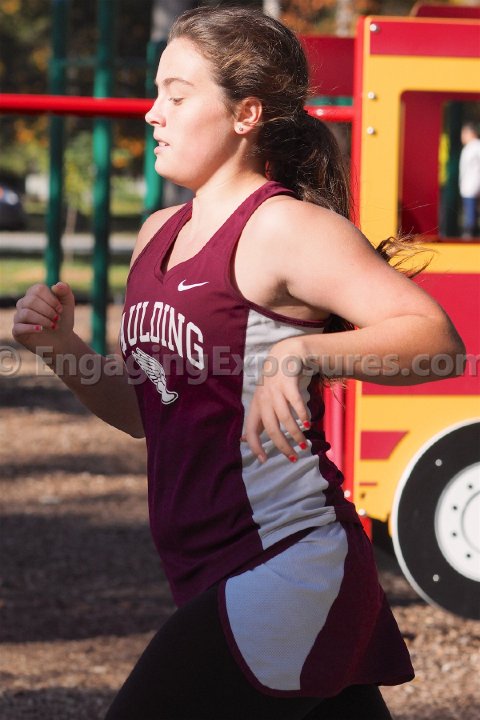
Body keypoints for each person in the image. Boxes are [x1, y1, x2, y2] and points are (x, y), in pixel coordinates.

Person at [12, 7, 465, 720]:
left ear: (246, 113)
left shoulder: (282, 227)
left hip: (288, 563)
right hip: (209, 569)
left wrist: (301, 351)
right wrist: (62, 350)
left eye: (177, 94)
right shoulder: (158, 235)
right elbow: (147, 411)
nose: (153, 113)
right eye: (156, 92)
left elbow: (437, 340)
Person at [459, 121, 480, 239]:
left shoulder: (476, 146)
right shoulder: (469, 147)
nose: (462, 137)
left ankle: (470, 237)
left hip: (473, 187)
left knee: (471, 217)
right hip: (468, 187)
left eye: (464, 133)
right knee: (469, 214)